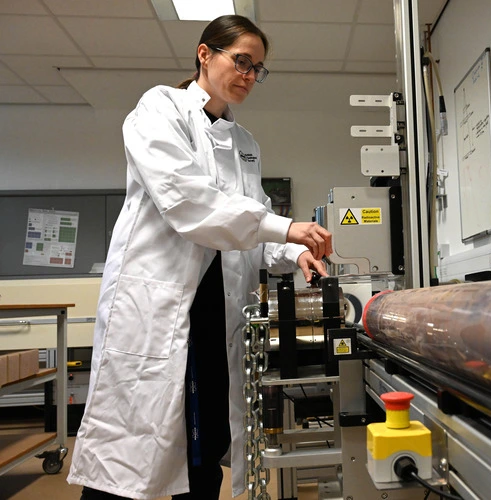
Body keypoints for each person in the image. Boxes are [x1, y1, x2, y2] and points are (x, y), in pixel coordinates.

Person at [66, 15, 332, 500]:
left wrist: (295, 252)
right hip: (159, 308)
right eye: (242, 61)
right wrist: (284, 227)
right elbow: (191, 204)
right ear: (204, 54)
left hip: (216, 313)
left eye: (258, 68)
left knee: (204, 447)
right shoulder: (159, 109)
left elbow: (254, 223)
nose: (249, 75)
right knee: (129, 459)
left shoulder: (245, 144)